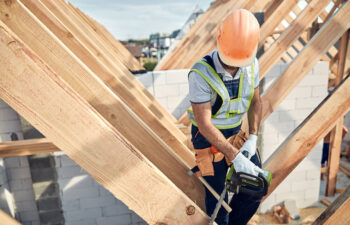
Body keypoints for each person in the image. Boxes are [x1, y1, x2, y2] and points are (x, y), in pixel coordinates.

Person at [187, 9, 263, 225]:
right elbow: (203, 123)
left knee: (255, 188)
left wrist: (253, 137)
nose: (236, 66)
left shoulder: (252, 64)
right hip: (207, 137)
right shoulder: (200, 73)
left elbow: (256, 101)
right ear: (219, 41)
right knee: (218, 200)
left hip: (237, 134)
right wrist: (234, 156)